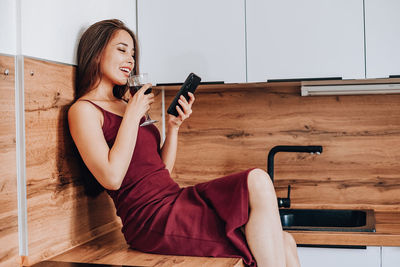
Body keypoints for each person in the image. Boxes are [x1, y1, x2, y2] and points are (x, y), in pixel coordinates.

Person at [68, 19, 300, 267]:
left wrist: (173, 127)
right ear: (96, 52)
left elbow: (161, 171)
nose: (131, 60)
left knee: (284, 237)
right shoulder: (84, 110)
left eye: (133, 54)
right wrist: (133, 116)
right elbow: (112, 178)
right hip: (149, 218)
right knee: (261, 193)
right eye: (122, 50)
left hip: (175, 199)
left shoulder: (129, 105)